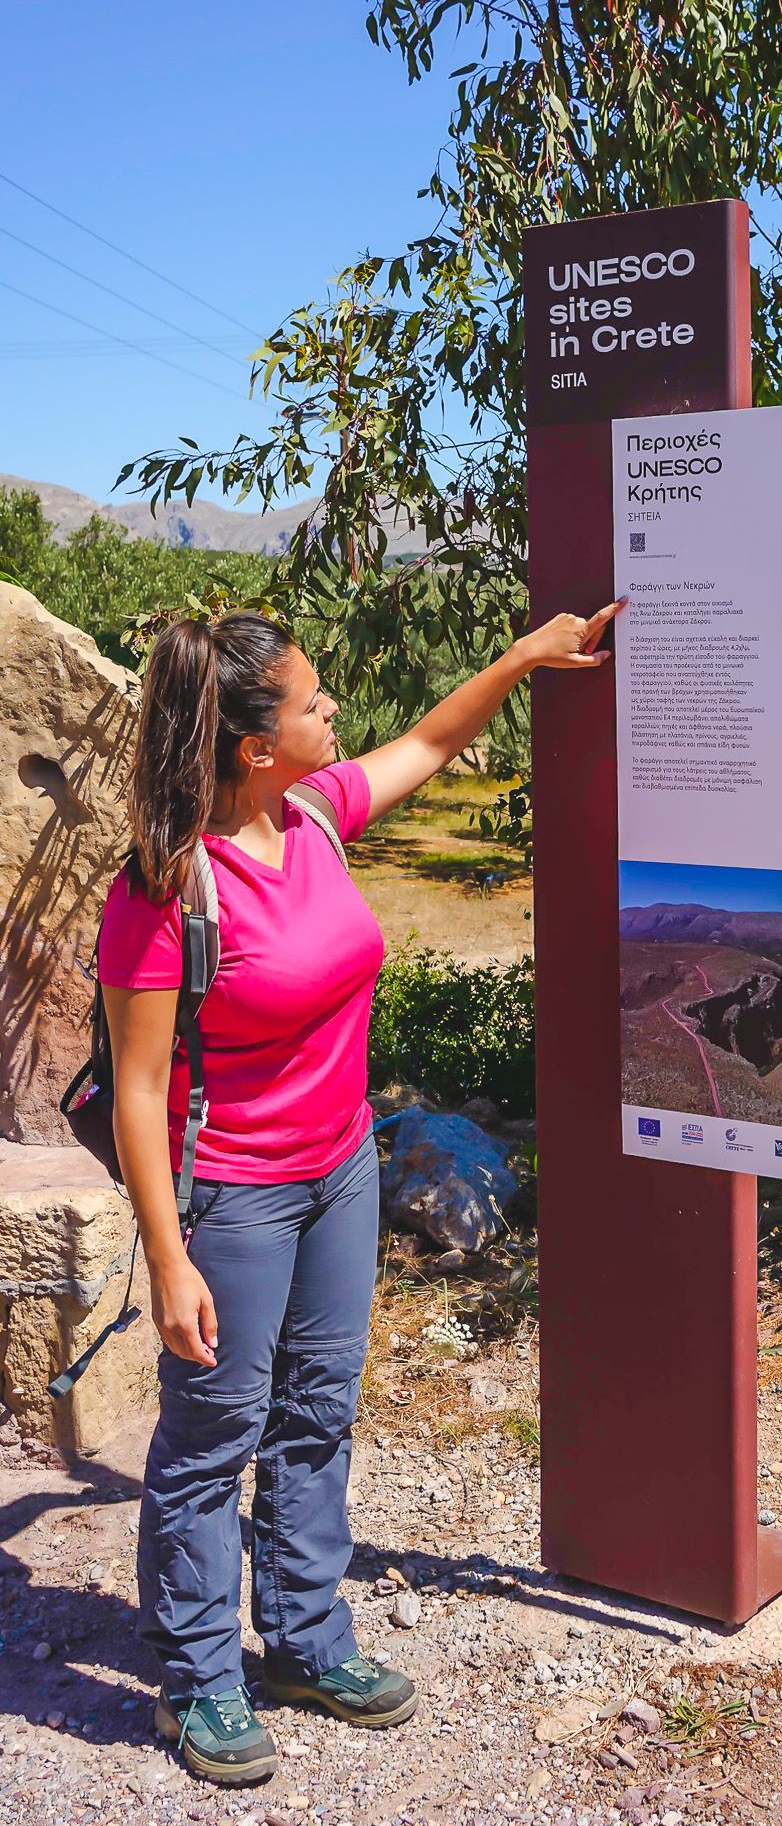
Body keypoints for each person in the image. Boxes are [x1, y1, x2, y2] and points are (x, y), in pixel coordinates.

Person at [98, 600, 620, 1785]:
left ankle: (303, 1639)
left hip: (342, 1167)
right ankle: (199, 1679)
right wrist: (168, 1256)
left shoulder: (316, 817)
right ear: (253, 744)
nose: (336, 709)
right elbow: (136, 1091)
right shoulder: (164, 886)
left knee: (318, 1406)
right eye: (314, 699)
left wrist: (524, 655)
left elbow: (429, 742)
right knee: (210, 1435)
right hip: (233, 1195)